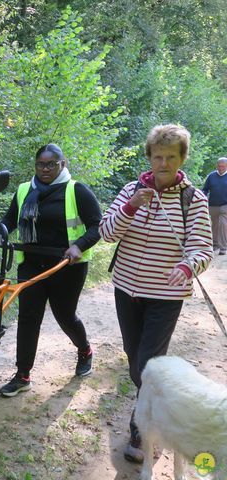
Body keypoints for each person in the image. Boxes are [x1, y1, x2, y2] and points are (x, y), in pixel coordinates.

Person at [99, 124, 213, 464]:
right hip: (126, 290)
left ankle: (143, 430)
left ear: (182, 159)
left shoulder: (194, 200)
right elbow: (106, 233)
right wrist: (131, 206)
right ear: (149, 158)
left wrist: (187, 267)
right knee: (136, 363)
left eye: (171, 157)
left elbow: (202, 248)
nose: (163, 164)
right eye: (158, 157)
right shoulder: (131, 190)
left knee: (147, 365)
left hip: (165, 295)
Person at [0, 143, 102, 398]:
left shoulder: (76, 191)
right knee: (28, 318)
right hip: (31, 263)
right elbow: (9, 220)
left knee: (65, 316)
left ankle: (85, 350)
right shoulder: (24, 190)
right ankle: (23, 375)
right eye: (40, 164)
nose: (44, 169)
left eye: (50, 164)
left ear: (62, 164)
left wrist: (79, 245)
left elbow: (97, 225)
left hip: (66, 266)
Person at [202, 157, 227, 255]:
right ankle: (215, 245)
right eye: (219, 166)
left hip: (225, 205)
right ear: (217, 165)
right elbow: (205, 189)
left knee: (223, 224)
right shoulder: (211, 176)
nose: (221, 168)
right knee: (215, 226)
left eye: (223, 166)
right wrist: (202, 196)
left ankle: (223, 247)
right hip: (213, 205)